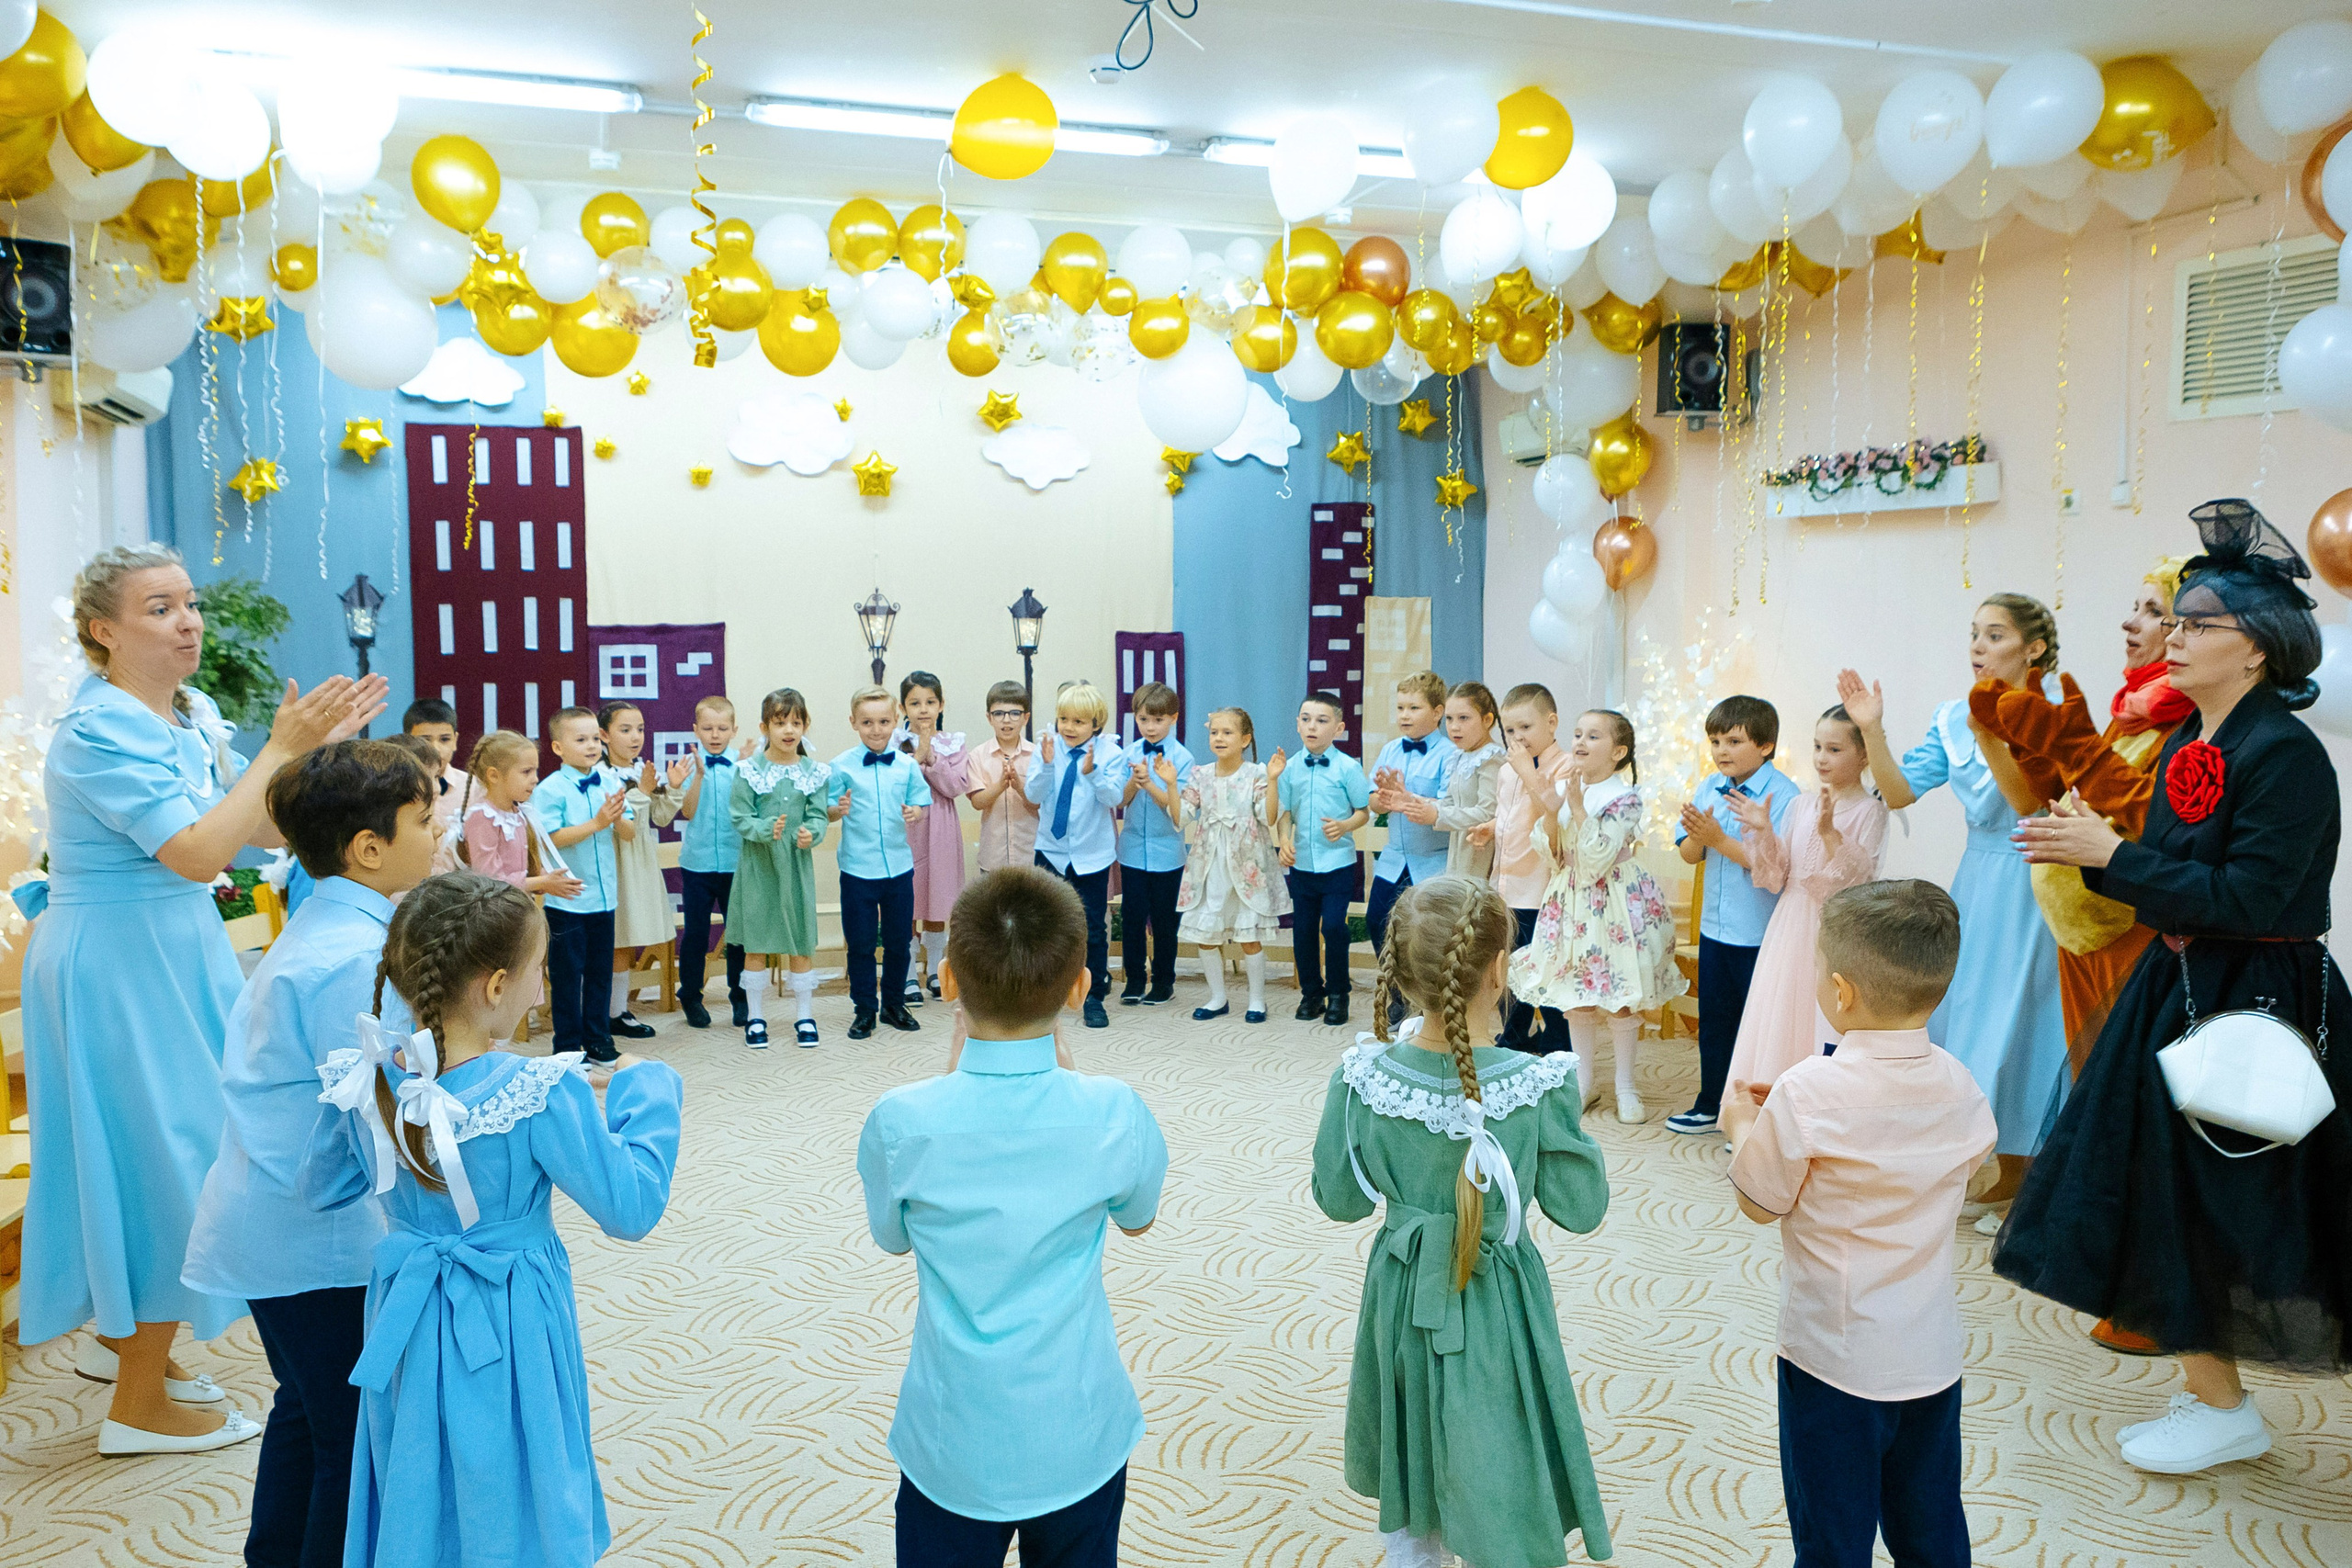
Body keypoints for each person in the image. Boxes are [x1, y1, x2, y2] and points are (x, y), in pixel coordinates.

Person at [1999, 500, 2352, 1474]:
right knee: (2165, 1194)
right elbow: (2166, 876)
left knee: (2225, 1202)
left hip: (2256, 998)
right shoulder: (2198, 743)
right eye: (2180, 620)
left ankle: (2220, 1402)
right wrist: (2096, 851)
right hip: (2187, 981)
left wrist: (2111, 853)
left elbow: (2250, 896)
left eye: (2199, 624)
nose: (2177, 636)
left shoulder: (2284, 756)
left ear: (2256, 650)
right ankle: (2215, 1398)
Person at [20, 543, 382, 1456]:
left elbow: (252, 826)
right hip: (116, 960)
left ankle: (127, 1343)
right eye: (159, 608)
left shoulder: (189, 715)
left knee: (181, 1144)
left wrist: (306, 762)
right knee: (163, 1159)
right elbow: (195, 854)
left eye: (189, 604)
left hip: (170, 948)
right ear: (104, 632)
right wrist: (279, 749)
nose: (188, 620)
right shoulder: (95, 733)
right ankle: (136, 1402)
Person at [303, 872, 683, 1566]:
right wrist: (646, 1087)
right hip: (512, 1313)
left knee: (421, 1456)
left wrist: (362, 1098)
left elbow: (323, 1186)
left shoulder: (373, 1081)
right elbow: (630, 1205)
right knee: (517, 1454)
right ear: (498, 984)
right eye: (539, 971)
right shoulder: (541, 1092)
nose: (543, 987)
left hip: (408, 1311)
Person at [856, 867, 1168, 1568]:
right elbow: (1138, 1216)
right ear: (1081, 986)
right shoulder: (1113, 1110)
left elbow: (892, 1235)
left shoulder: (903, 1120)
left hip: (952, 1439)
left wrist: (947, 1086)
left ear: (947, 981)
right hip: (1078, 1432)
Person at [182, 740, 437, 1562]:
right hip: (316, 1238)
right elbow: (380, 1110)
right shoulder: (352, 958)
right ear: (369, 847)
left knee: (307, 1410)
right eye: (425, 820)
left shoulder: (332, 927)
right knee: (351, 1443)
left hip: (276, 1222)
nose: (440, 833)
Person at [1312, 875, 1611, 1568]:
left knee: (1415, 1437)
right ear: (1500, 968)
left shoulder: (1362, 1076)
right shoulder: (1538, 1085)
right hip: (1496, 1305)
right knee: (1497, 1443)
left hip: (1402, 1295)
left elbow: (1341, 1199)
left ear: (1400, 968)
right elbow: (1581, 1206)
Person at [1725, 880, 1996, 1568]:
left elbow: (1760, 1202)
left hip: (1834, 1361)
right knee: (1931, 1523)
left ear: (1840, 991)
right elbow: (1983, 1175)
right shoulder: (1961, 1083)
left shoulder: (1805, 1091)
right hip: (1931, 1357)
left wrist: (1743, 1126)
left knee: (1833, 1538)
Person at [1970, 558, 2194, 1351]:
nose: (2132, 622)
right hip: (2083, 933)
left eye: (2154, 609)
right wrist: (1999, 733)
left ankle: (2157, 1293)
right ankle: (2123, 1274)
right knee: (2103, 1103)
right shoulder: (2129, 715)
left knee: (2142, 1111)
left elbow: (2146, 834)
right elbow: (2048, 803)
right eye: (2133, 606)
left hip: (2135, 937)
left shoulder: (2184, 726)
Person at [1840, 593, 2072, 1210]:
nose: (1977, 646)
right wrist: (1871, 726)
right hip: (1978, 878)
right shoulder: (1953, 716)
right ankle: (1965, 1154)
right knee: (1964, 1012)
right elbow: (1898, 791)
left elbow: (2027, 803)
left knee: (2024, 1017)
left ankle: (2024, 1169)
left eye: (1994, 635)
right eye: (1973, 633)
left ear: (2034, 648)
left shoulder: (2056, 712)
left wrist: (1992, 737)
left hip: (2036, 878)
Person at [1510, 711, 1684, 1124]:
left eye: (1594, 735)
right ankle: (1584, 1081)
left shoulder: (1624, 797)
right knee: (1577, 995)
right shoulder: (1564, 787)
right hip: (1571, 901)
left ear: (1619, 751)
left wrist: (1574, 806)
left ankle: (1626, 1084)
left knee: (1620, 995)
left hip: (1614, 903)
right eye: (1578, 733)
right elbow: (1551, 854)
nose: (1581, 742)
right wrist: (1553, 812)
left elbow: (1597, 859)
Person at [1724, 705, 1890, 1098]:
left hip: (1836, 933)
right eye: (1817, 747)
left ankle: (1813, 1113)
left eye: (1834, 749)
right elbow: (1776, 875)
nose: (1821, 758)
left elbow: (1857, 882)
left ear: (1864, 755)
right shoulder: (1800, 804)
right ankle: (1765, 1109)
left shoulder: (1871, 811)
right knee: (1779, 1015)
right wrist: (1764, 831)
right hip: (1789, 925)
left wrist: (1831, 833)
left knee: (1821, 1019)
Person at [1666, 695, 1802, 1136]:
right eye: (1715, 741)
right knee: (1716, 1022)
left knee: (1756, 1028)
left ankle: (1754, 1117)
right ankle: (1710, 1104)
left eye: (1733, 740)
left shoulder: (1785, 796)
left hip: (1760, 932)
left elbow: (1775, 868)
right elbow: (1690, 855)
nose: (1721, 750)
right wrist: (1697, 836)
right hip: (1715, 929)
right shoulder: (1710, 786)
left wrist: (1718, 838)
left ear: (1765, 745)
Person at [1170, 706, 1289, 1022]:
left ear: (1245, 738)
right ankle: (1217, 998)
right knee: (1206, 935)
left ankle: (1257, 1001)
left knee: (1249, 936)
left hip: (1246, 864)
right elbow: (1181, 817)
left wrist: (1274, 780)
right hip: (1209, 865)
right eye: (1214, 732)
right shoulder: (1200, 774)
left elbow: (1269, 816)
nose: (1219, 738)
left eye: (1227, 732)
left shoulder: (1256, 773)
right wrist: (1170, 785)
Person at [729, 688, 833, 1049]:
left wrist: (812, 833)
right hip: (759, 867)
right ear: (765, 727)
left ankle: (805, 1016)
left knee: (800, 940)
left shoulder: (815, 772)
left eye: (796, 722)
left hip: (795, 865)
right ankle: (755, 1018)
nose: (788, 730)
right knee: (756, 943)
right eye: (779, 722)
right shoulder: (749, 771)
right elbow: (740, 815)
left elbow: (819, 814)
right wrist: (763, 829)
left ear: (805, 726)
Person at [1023, 680, 1125, 1029]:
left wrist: (1093, 772)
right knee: (1044, 926)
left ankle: (1094, 995)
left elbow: (1114, 800)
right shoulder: (1047, 746)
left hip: (1090, 855)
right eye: (1063, 718)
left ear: (1096, 724)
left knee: (1093, 928)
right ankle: (1045, 993)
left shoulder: (1111, 753)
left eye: (1078, 722)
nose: (1069, 727)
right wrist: (1049, 764)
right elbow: (1033, 794)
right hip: (1050, 852)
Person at [531, 707, 628, 1071]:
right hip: (568, 899)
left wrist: (621, 819)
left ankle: (599, 1040)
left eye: (595, 739)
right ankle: (567, 1048)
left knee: (600, 973)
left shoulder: (608, 780)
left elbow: (628, 829)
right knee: (568, 977)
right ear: (557, 747)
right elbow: (552, 838)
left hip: (604, 898)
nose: (591, 746)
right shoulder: (550, 790)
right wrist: (597, 822)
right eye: (580, 739)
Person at [833, 684, 930, 1040]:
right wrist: (835, 810)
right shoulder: (840, 766)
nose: (876, 729)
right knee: (859, 943)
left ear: (895, 721)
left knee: (898, 940)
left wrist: (914, 811)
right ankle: (863, 1009)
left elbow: (920, 803)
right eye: (868, 722)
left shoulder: (906, 765)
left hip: (898, 868)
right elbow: (827, 809)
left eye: (884, 721)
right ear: (854, 723)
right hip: (858, 868)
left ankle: (893, 1004)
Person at [1483, 683, 1576, 1055]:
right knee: (1511, 966)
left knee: (1545, 967)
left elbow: (1556, 814)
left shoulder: (1565, 765)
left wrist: (1527, 771)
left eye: (1526, 728)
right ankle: (1516, 1033)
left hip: (1541, 886)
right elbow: (1509, 816)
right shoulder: (1508, 771)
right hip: (1506, 882)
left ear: (1551, 723)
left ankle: (1557, 1040)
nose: (1518, 738)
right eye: (1510, 731)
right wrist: (1488, 828)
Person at [1273, 691, 1372, 1027]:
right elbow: (1284, 813)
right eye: (1306, 719)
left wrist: (1344, 825)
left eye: (1321, 720)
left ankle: (1339, 994)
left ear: (1339, 727)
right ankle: (1311, 994)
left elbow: (1364, 812)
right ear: (1298, 724)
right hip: (1302, 866)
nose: (1312, 726)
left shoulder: (1348, 767)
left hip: (1338, 864)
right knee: (1302, 930)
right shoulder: (1288, 768)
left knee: (1333, 927)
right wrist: (1284, 840)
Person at [598, 700, 684, 1041]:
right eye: (625, 730)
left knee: (628, 939)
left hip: (641, 861)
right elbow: (620, 822)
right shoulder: (601, 775)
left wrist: (673, 787)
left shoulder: (640, 772)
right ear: (604, 735)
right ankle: (607, 1011)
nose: (635, 737)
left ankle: (617, 1011)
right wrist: (644, 792)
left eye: (640, 729)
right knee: (616, 939)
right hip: (618, 860)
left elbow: (659, 818)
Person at [1363, 671, 1458, 956]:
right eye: (1400, 707)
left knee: (1428, 937)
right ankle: (1396, 996)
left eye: (1414, 708)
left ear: (1438, 712)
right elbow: (1373, 801)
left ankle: (1422, 997)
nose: (1405, 715)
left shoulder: (1450, 753)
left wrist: (1407, 798)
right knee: (1377, 921)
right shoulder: (1390, 749)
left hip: (1432, 862)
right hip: (1394, 858)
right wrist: (1383, 799)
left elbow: (1447, 806)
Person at [673, 694, 749, 1031]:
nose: (715, 735)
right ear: (695, 730)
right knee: (697, 933)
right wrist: (700, 777)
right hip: (698, 864)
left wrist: (745, 772)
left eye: (722, 728)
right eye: (707, 728)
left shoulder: (745, 763)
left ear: (733, 729)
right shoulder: (687, 766)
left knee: (739, 933)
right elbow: (687, 812)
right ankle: (690, 994)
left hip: (737, 862)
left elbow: (750, 808)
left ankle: (741, 993)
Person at [1116, 681, 1193, 1007]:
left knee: (1164, 922)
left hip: (1168, 854)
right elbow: (1119, 801)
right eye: (1144, 719)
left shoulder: (1184, 759)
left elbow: (1178, 812)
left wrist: (1151, 784)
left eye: (1158, 720)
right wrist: (1135, 781)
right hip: (1132, 850)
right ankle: (1134, 979)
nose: (1150, 727)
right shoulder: (1128, 754)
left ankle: (1164, 982)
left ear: (1174, 718)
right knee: (1132, 918)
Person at [899, 671, 967, 1005]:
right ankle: (909, 975)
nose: (923, 709)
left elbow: (956, 786)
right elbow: (897, 782)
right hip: (907, 825)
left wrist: (931, 758)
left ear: (941, 705)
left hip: (940, 825)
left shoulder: (953, 742)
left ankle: (937, 972)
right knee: (909, 901)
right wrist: (917, 756)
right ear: (903, 707)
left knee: (938, 901)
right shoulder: (894, 740)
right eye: (915, 702)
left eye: (930, 702)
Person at [453, 730, 582, 904]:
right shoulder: (483, 817)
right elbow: (488, 881)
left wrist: (549, 879)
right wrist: (540, 881)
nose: (535, 779)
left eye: (536, 771)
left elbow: (523, 867)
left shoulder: (519, 813)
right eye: (526, 772)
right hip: (495, 912)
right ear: (494, 775)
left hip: (519, 906)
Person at [967, 680, 1041, 874]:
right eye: (999, 713)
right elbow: (977, 802)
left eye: (1014, 713)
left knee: (1029, 906)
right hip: (993, 858)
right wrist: (1000, 785)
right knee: (994, 906)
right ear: (989, 717)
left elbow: (1038, 804)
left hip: (1030, 856)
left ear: (1026, 718)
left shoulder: (1037, 756)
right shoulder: (978, 755)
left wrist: (1018, 786)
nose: (1006, 720)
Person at [1431, 680, 1504, 880]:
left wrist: (1436, 815)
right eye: (1449, 719)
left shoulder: (1491, 758)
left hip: (1480, 850)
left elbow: (1487, 813)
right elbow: (1449, 803)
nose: (1454, 727)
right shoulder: (1460, 755)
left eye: (1464, 718)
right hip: (1459, 851)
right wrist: (1411, 801)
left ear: (1487, 720)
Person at [401, 697, 466, 876]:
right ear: (408, 741)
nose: (435, 748)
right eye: (425, 740)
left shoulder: (474, 787)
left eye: (444, 739)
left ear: (455, 740)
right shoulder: (393, 788)